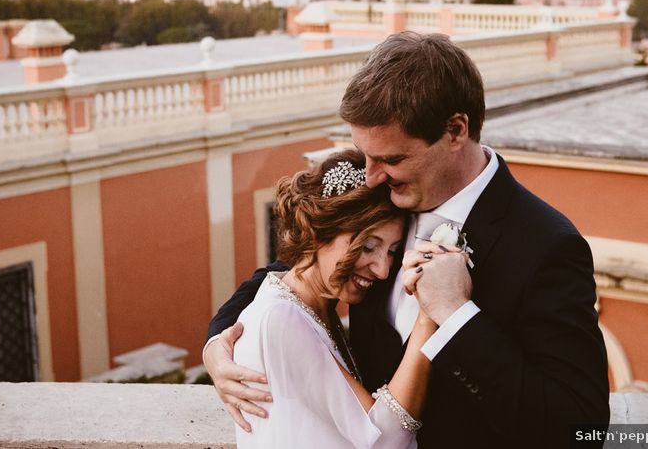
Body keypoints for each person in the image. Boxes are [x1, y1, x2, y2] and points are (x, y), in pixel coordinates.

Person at [206, 32, 610, 448]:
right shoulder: (388, 194)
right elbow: (299, 270)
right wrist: (220, 340)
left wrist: (456, 316)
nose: (372, 175)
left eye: (392, 159)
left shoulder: (546, 245)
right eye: (365, 155)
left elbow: (580, 427)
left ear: (455, 130)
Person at [231, 148, 442, 448]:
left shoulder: (311, 308)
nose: (383, 270)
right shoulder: (280, 318)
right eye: (368, 246)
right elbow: (384, 440)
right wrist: (428, 317)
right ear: (320, 231)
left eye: (392, 251)